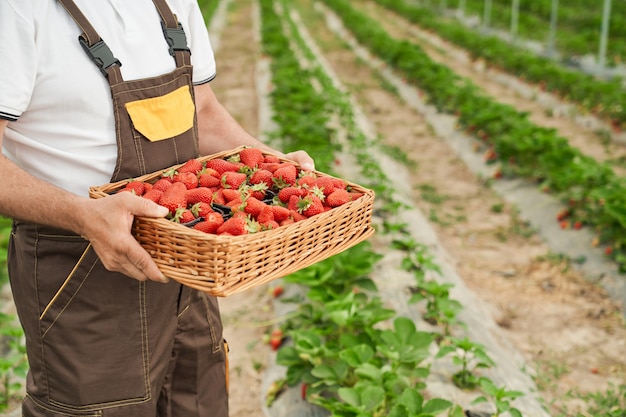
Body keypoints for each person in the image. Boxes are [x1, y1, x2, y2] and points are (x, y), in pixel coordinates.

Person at [0, 0, 314, 416]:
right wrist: (84, 215)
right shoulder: (19, 11)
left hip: (187, 255)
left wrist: (276, 166)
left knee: (197, 399)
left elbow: (202, 112)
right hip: (84, 270)